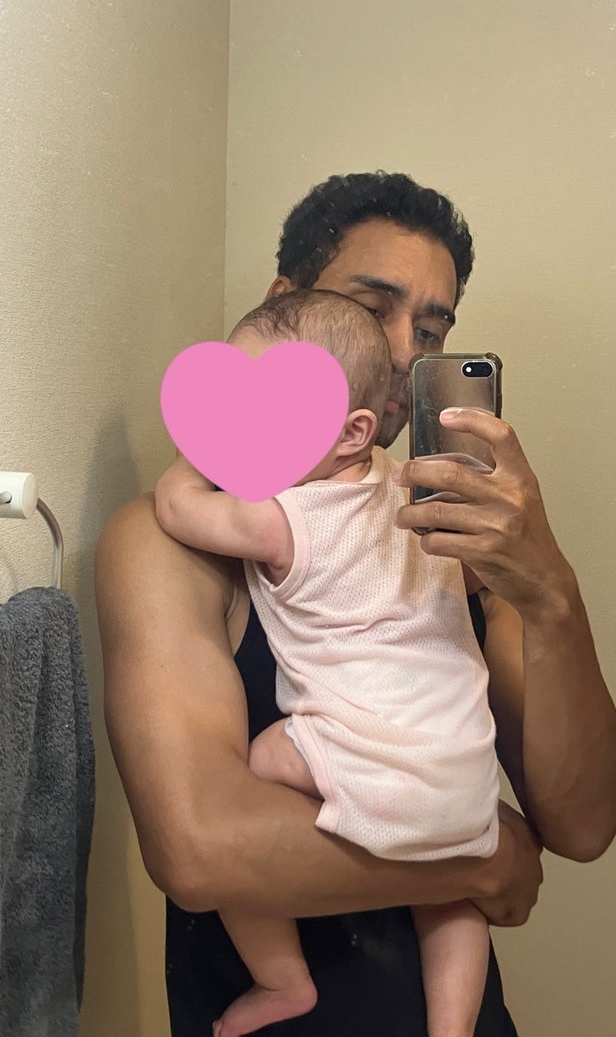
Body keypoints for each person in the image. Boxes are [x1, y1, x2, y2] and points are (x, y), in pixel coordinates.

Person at [95, 171, 616, 1036]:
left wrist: (549, 590)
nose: (403, 350)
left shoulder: (451, 538)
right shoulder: (169, 544)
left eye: (431, 328)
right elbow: (201, 847)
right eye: (372, 307)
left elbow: (584, 822)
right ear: (283, 306)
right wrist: (477, 858)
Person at [155, 288, 502, 1037]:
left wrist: (195, 446)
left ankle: (283, 980)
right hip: (467, 772)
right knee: (451, 896)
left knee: (258, 764)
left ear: (351, 433)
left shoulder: (286, 519)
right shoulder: (419, 498)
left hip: (366, 758)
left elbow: (178, 507)